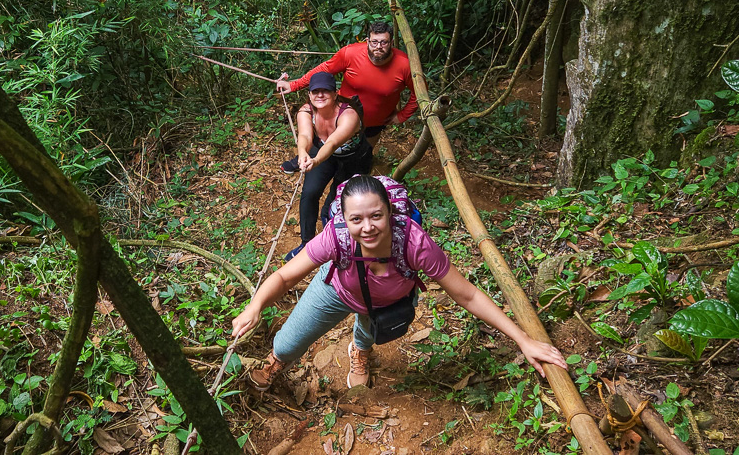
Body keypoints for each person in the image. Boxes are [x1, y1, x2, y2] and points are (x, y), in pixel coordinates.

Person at [231, 175, 567, 392]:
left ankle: (359, 350)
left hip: (387, 300)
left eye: (376, 215)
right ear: (344, 220)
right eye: (356, 219)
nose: (368, 227)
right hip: (338, 290)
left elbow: (467, 294)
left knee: (369, 329)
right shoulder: (336, 237)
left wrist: (523, 340)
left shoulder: (414, 243)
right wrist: (255, 306)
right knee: (289, 342)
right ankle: (278, 361)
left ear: (390, 212)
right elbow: (286, 275)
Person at [276, 21, 417, 170]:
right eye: (374, 42)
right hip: (341, 114)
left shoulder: (404, 64)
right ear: (367, 41)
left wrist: (402, 116)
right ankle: (305, 160)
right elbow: (325, 69)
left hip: (375, 123)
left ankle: (352, 177)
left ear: (392, 42)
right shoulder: (350, 53)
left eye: (384, 42)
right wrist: (294, 85)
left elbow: (419, 93)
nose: (378, 47)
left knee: (361, 157)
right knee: (330, 143)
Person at [284, 71, 370, 261]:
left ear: (336, 93)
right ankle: (306, 243)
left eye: (325, 91)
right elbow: (305, 136)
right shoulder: (306, 111)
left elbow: (331, 143)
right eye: (315, 92)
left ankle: (332, 240)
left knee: (338, 200)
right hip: (324, 155)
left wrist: (314, 161)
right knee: (310, 193)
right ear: (309, 95)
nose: (320, 95)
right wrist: (303, 153)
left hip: (354, 159)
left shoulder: (349, 114)